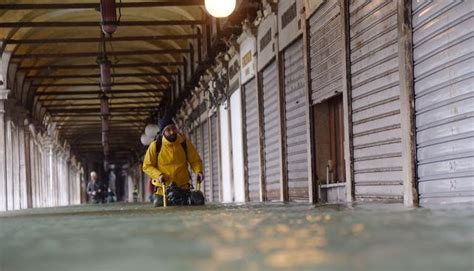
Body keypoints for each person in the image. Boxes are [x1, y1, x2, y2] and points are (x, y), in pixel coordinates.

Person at [143, 114, 204, 207]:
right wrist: (159, 175)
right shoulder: (155, 146)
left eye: (173, 128)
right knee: (158, 204)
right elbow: (147, 166)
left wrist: (198, 171)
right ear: (163, 132)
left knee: (198, 200)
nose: (172, 132)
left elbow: (195, 160)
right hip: (163, 189)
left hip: (183, 187)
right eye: (168, 130)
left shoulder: (184, 143)